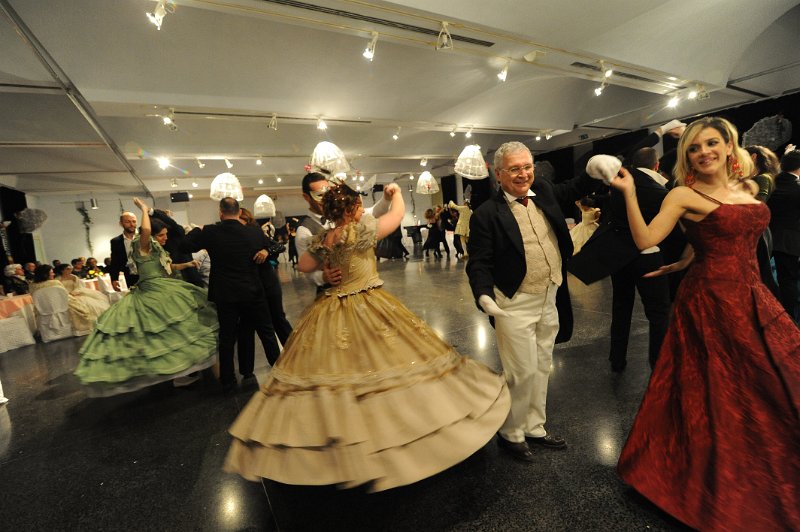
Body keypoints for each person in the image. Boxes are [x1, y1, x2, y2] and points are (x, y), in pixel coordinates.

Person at [224, 183, 510, 491]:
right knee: (389, 362)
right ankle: (390, 436)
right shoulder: (359, 231)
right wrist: (395, 195)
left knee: (340, 371)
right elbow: (396, 216)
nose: (362, 209)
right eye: (359, 205)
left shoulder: (326, 237)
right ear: (350, 210)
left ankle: (346, 439)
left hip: (330, 307)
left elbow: (305, 264)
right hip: (368, 302)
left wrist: (325, 272)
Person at [604, 116, 800, 531]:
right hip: (710, 301)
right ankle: (721, 476)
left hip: (752, 294)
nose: (703, 152)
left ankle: (768, 454)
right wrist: (628, 194)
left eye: (711, 143)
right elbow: (646, 240)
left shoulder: (749, 189)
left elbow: (722, 236)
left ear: (729, 146)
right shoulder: (682, 194)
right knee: (719, 387)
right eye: (693, 148)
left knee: (771, 375)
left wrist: (686, 259)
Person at [466, 141, 597, 462]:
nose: (523, 174)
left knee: (540, 366)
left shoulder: (544, 191)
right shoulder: (486, 214)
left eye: (527, 167)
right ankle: (510, 433)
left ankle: (534, 426)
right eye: (514, 169)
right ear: (498, 174)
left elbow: (574, 187)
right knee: (520, 372)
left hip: (550, 294)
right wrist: (484, 294)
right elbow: (479, 262)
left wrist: (594, 170)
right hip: (513, 302)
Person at [74, 198, 218, 397]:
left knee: (177, 331)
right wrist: (144, 209)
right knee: (162, 332)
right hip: (152, 290)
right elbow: (147, 231)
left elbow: (167, 267)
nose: (165, 238)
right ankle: (173, 373)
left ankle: (183, 372)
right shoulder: (143, 246)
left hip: (165, 285)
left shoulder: (156, 248)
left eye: (165, 234)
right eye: (162, 235)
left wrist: (186, 265)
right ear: (151, 236)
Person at [570, 152, 682, 372]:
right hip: (648, 255)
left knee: (621, 306)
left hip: (619, 255)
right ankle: (659, 366)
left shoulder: (621, 181)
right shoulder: (659, 189)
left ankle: (617, 359)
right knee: (658, 313)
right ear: (656, 165)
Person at [182, 197, 281, 393]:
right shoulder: (253, 231)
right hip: (252, 290)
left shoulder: (210, 231)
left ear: (220, 212)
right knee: (267, 332)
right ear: (239, 212)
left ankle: (228, 380)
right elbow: (274, 247)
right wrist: (265, 250)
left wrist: (198, 229)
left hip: (225, 293)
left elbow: (184, 246)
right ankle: (280, 370)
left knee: (227, 338)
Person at [295, 172, 393, 295]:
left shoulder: (348, 212)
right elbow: (306, 268)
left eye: (328, 193)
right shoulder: (304, 230)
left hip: (361, 288)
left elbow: (373, 212)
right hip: (330, 293)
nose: (326, 199)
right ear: (306, 197)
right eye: (319, 195)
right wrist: (323, 277)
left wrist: (387, 198)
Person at [236, 208, 293, 380]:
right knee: (247, 326)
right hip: (248, 287)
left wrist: (267, 251)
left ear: (247, 221)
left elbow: (279, 246)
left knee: (278, 319)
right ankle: (247, 370)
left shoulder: (256, 234)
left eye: (240, 221)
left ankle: (295, 353)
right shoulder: (233, 238)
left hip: (267, 282)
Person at [767, 148, 800, 323]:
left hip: (766, 239)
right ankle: (789, 322)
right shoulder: (797, 188)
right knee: (788, 282)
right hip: (790, 243)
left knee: (765, 278)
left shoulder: (770, 184)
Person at [31, 264, 109, 335]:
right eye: (51, 272)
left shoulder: (33, 286)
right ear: (45, 274)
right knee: (86, 305)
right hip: (61, 304)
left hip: (44, 308)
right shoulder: (55, 283)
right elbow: (64, 296)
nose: (53, 274)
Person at [108, 211, 140, 290]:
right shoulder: (116, 241)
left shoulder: (144, 237)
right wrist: (114, 279)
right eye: (127, 222)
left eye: (134, 221)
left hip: (148, 276)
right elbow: (115, 262)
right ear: (121, 223)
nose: (132, 224)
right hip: (130, 277)